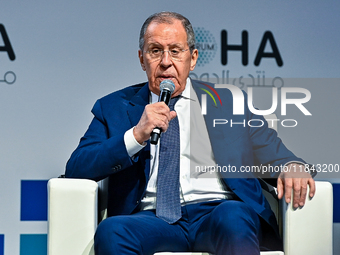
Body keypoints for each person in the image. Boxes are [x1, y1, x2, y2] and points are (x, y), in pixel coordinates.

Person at [65, 11, 316, 255]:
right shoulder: (113, 107)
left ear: (193, 58)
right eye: (155, 51)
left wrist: (292, 165)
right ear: (142, 59)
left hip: (217, 213)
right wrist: (135, 136)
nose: (165, 61)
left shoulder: (229, 101)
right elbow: (77, 167)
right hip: (151, 220)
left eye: (175, 51)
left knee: (234, 215)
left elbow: (275, 153)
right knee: (113, 230)